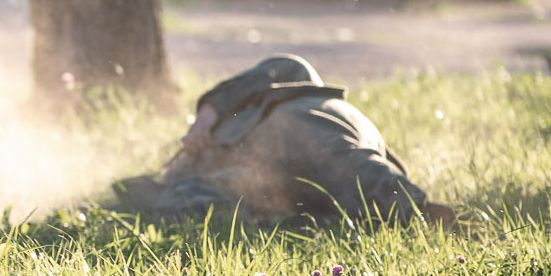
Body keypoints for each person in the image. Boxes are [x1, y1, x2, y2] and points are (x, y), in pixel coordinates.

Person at [119, 54, 454, 226]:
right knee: (351, 168)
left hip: (304, 120)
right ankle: (419, 211)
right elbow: (203, 200)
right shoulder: (199, 178)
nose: (179, 155)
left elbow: (290, 66)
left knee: (351, 165)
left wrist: (206, 115)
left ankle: (417, 209)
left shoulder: (227, 118)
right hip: (300, 159)